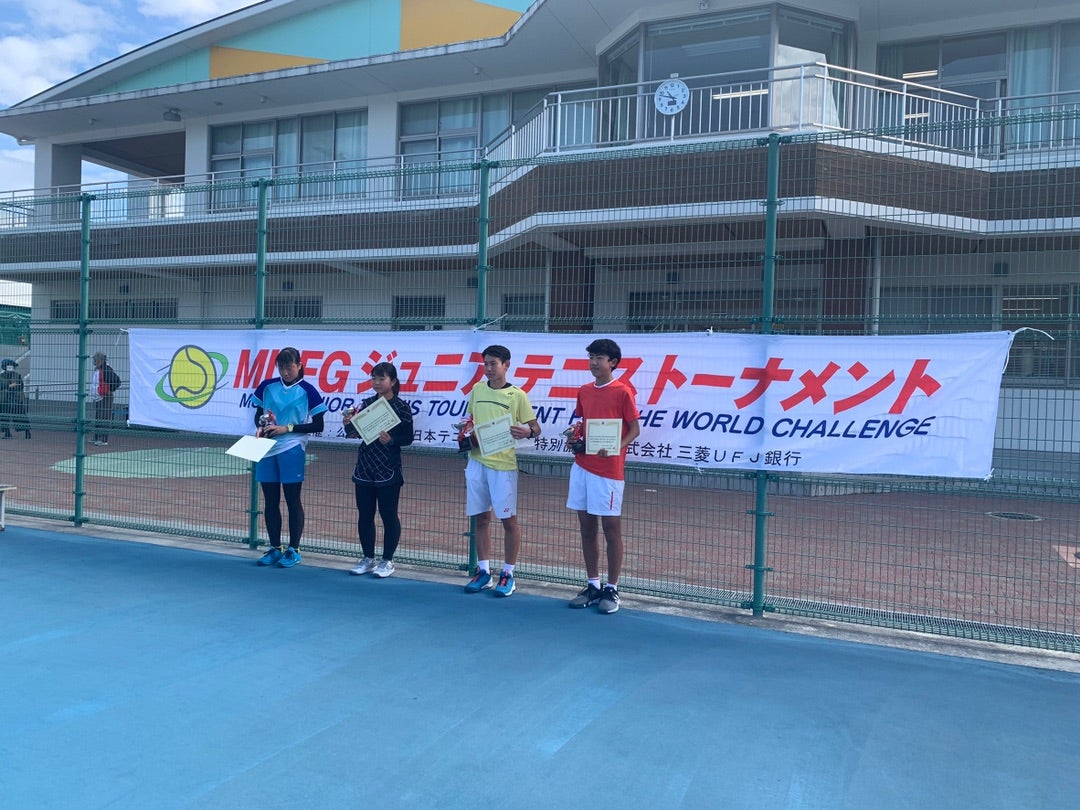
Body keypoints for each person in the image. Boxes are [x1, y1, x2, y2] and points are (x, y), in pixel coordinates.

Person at [567, 338, 641, 615]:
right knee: (586, 528)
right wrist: (575, 439)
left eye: (599, 358)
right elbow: (582, 424)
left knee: (611, 529)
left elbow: (634, 429)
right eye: (591, 357)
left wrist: (615, 447)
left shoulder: (623, 391)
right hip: (582, 467)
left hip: (609, 471)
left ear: (613, 363)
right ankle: (593, 585)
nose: (594, 362)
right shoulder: (584, 391)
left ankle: (612, 588)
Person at [463, 344, 541, 597]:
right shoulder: (477, 389)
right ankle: (483, 571)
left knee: (508, 520)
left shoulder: (517, 395)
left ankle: (508, 574)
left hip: (503, 466)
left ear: (506, 365)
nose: (488, 369)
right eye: (485, 364)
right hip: (477, 462)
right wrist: (467, 431)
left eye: (493, 364)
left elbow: (535, 428)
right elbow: (470, 420)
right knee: (481, 518)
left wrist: (527, 431)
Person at [251, 347, 327, 569]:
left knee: (292, 499)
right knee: (270, 500)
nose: (285, 372)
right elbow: (258, 415)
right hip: (267, 447)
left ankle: (294, 549)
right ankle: (275, 548)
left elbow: (318, 425)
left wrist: (287, 428)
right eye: (281, 367)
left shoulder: (308, 390)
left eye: (290, 367)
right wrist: (261, 426)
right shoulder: (267, 386)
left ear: (299, 365)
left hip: (292, 447)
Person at [346, 362, 414, 578]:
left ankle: (387, 560)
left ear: (393, 381)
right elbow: (353, 432)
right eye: (373, 378)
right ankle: (368, 558)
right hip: (365, 465)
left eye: (381, 378)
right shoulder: (366, 404)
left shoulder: (402, 407)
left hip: (388, 467)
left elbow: (408, 437)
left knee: (388, 515)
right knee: (365, 514)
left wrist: (392, 440)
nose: (376, 382)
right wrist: (348, 423)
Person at [90, 352, 121, 446]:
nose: (94, 362)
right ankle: (97, 437)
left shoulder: (107, 370)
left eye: (96, 360)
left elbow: (117, 381)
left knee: (104, 417)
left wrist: (110, 390)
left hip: (105, 397)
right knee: (99, 417)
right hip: (98, 396)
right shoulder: (98, 370)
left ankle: (103, 439)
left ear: (101, 360)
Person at [1, 358, 29, 439]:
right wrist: (9, 386)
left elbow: (21, 386)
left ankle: (27, 432)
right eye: (8, 366)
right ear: (4, 367)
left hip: (16, 398)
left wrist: (15, 387)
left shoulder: (17, 375)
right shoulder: (1, 376)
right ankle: (7, 433)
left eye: (11, 366)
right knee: (4, 416)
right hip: (4, 399)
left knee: (20, 415)